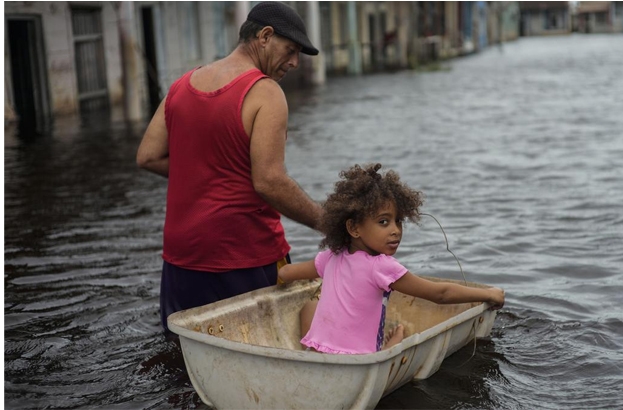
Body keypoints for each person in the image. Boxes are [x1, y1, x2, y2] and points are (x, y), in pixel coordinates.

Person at [136, 1, 324, 332]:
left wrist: (206, 170)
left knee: (187, 355)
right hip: (243, 254)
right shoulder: (265, 92)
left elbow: (148, 156)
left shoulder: (182, 85)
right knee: (265, 348)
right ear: (265, 36)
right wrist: (329, 223)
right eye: (291, 49)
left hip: (182, 257)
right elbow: (269, 181)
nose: (295, 62)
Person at [277, 164, 506, 354]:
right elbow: (440, 293)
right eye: (384, 222)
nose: (396, 230)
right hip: (359, 361)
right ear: (354, 227)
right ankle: (393, 343)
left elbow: (286, 273)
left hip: (319, 355)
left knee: (310, 305)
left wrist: (283, 277)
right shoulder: (382, 267)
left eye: (399, 221)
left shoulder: (331, 256)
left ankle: (308, 350)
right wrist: (488, 294)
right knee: (387, 340)